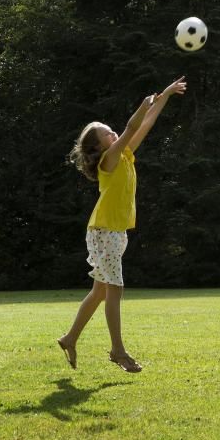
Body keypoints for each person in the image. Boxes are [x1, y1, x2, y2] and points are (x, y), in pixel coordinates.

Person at [58, 76, 187, 373]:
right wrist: (143, 105)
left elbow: (144, 126)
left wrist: (165, 94)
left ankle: (70, 338)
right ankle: (118, 350)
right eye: (106, 132)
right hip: (105, 232)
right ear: (98, 145)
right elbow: (131, 127)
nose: (112, 132)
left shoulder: (125, 154)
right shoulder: (109, 160)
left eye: (110, 129)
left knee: (101, 291)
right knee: (114, 290)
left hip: (112, 231)